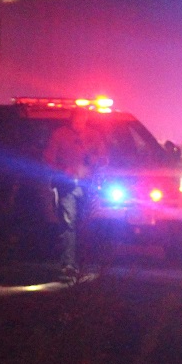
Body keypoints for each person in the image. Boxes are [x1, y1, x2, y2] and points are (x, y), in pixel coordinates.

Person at [42, 107, 106, 283]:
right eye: (76, 120)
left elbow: (104, 159)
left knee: (85, 223)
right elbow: (48, 159)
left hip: (87, 187)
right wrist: (64, 170)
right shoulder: (59, 135)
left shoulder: (93, 136)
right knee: (68, 223)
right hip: (67, 186)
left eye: (82, 120)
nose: (78, 124)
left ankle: (85, 262)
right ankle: (69, 264)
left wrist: (95, 160)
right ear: (71, 120)